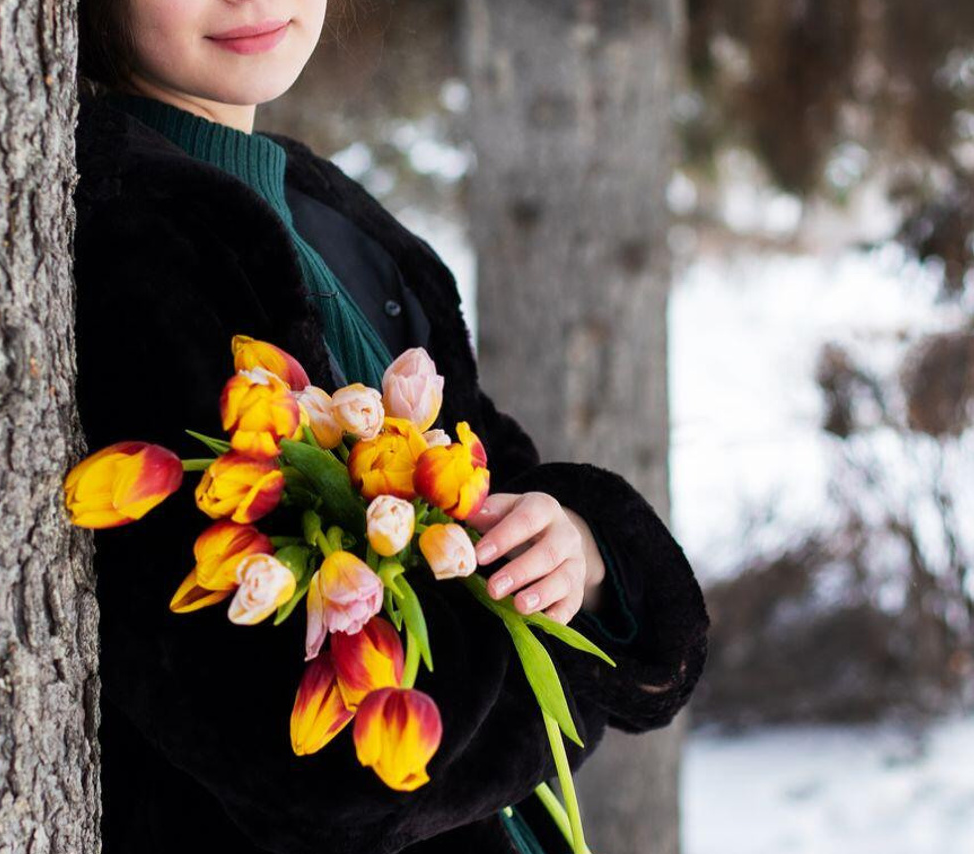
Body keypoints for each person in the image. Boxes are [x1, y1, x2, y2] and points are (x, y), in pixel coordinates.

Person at [71, 2, 710, 852]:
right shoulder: (131, 232)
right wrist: (557, 666)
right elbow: (302, 757)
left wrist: (583, 552)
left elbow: (501, 476)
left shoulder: (333, 216)